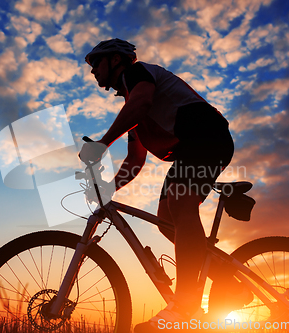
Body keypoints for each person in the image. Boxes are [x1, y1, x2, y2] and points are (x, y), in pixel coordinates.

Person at [79, 38, 250, 332]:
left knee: (180, 205)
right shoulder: (133, 105)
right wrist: (108, 187)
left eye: (96, 63)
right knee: (165, 220)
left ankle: (185, 304)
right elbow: (134, 160)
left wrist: (103, 143)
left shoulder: (137, 75)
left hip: (206, 137)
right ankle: (228, 281)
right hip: (190, 149)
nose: (93, 70)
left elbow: (143, 102)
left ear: (115, 60)